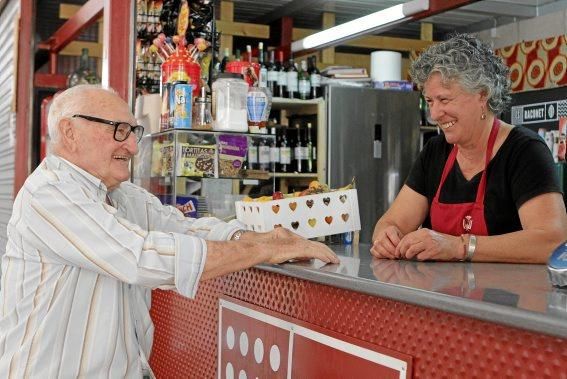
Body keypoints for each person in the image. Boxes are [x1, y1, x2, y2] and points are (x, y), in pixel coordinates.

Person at [0, 85, 339, 377]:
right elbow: (141, 255)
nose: (131, 147)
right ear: (70, 132)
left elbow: (184, 228)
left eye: (134, 132)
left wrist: (249, 237)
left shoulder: (121, 196)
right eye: (118, 130)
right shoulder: (49, 194)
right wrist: (263, 250)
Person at [371, 34, 567, 263]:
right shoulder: (435, 152)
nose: (434, 115)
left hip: (507, 297)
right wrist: (386, 237)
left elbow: (552, 241)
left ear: (482, 95)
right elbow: (391, 223)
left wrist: (461, 246)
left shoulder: (524, 151)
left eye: (444, 100)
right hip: (440, 297)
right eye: (430, 101)